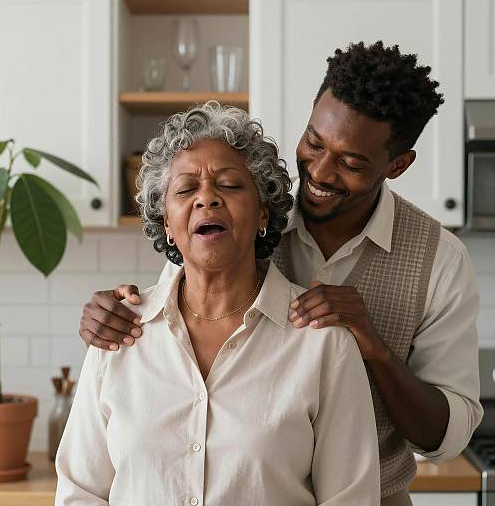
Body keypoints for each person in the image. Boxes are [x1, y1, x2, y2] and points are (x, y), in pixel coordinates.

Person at [78, 42, 483, 505]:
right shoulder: (241, 210)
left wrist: (373, 346)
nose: (321, 171)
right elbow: (176, 294)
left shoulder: (438, 259)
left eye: (351, 163)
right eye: (314, 142)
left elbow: (446, 438)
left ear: (397, 165)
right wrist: (112, 312)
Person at [56, 102, 381, 505]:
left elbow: (351, 499)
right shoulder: (120, 334)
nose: (206, 198)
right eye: (186, 188)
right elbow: (80, 492)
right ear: (167, 225)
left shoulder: (322, 341)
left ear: (263, 212)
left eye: (228, 185)